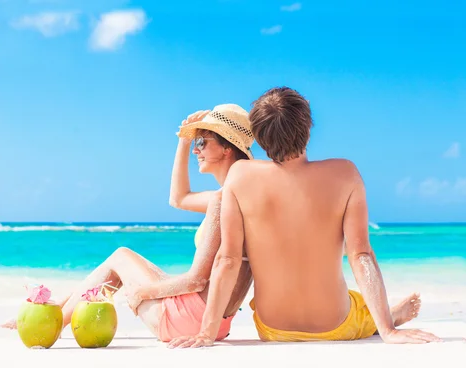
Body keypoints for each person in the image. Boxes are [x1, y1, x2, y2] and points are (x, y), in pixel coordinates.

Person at [167, 87, 441, 348]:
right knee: (357, 308)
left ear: (259, 137)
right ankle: (387, 318)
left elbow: (227, 260)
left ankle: (385, 316)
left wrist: (207, 331)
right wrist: (389, 333)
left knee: (349, 302)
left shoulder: (240, 176)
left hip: (272, 329)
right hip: (335, 325)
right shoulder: (345, 174)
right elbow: (361, 256)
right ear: (308, 131)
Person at [1, 104, 256, 343]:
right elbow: (179, 199)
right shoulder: (240, 198)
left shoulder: (222, 200)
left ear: (227, 148)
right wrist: (183, 140)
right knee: (121, 262)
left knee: (121, 256)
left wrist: (141, 293)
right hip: (218, 321)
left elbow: (196, 282)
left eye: (201, 141)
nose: (195, 150)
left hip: (192, 321)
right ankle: (55, 312)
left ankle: (50, 324)